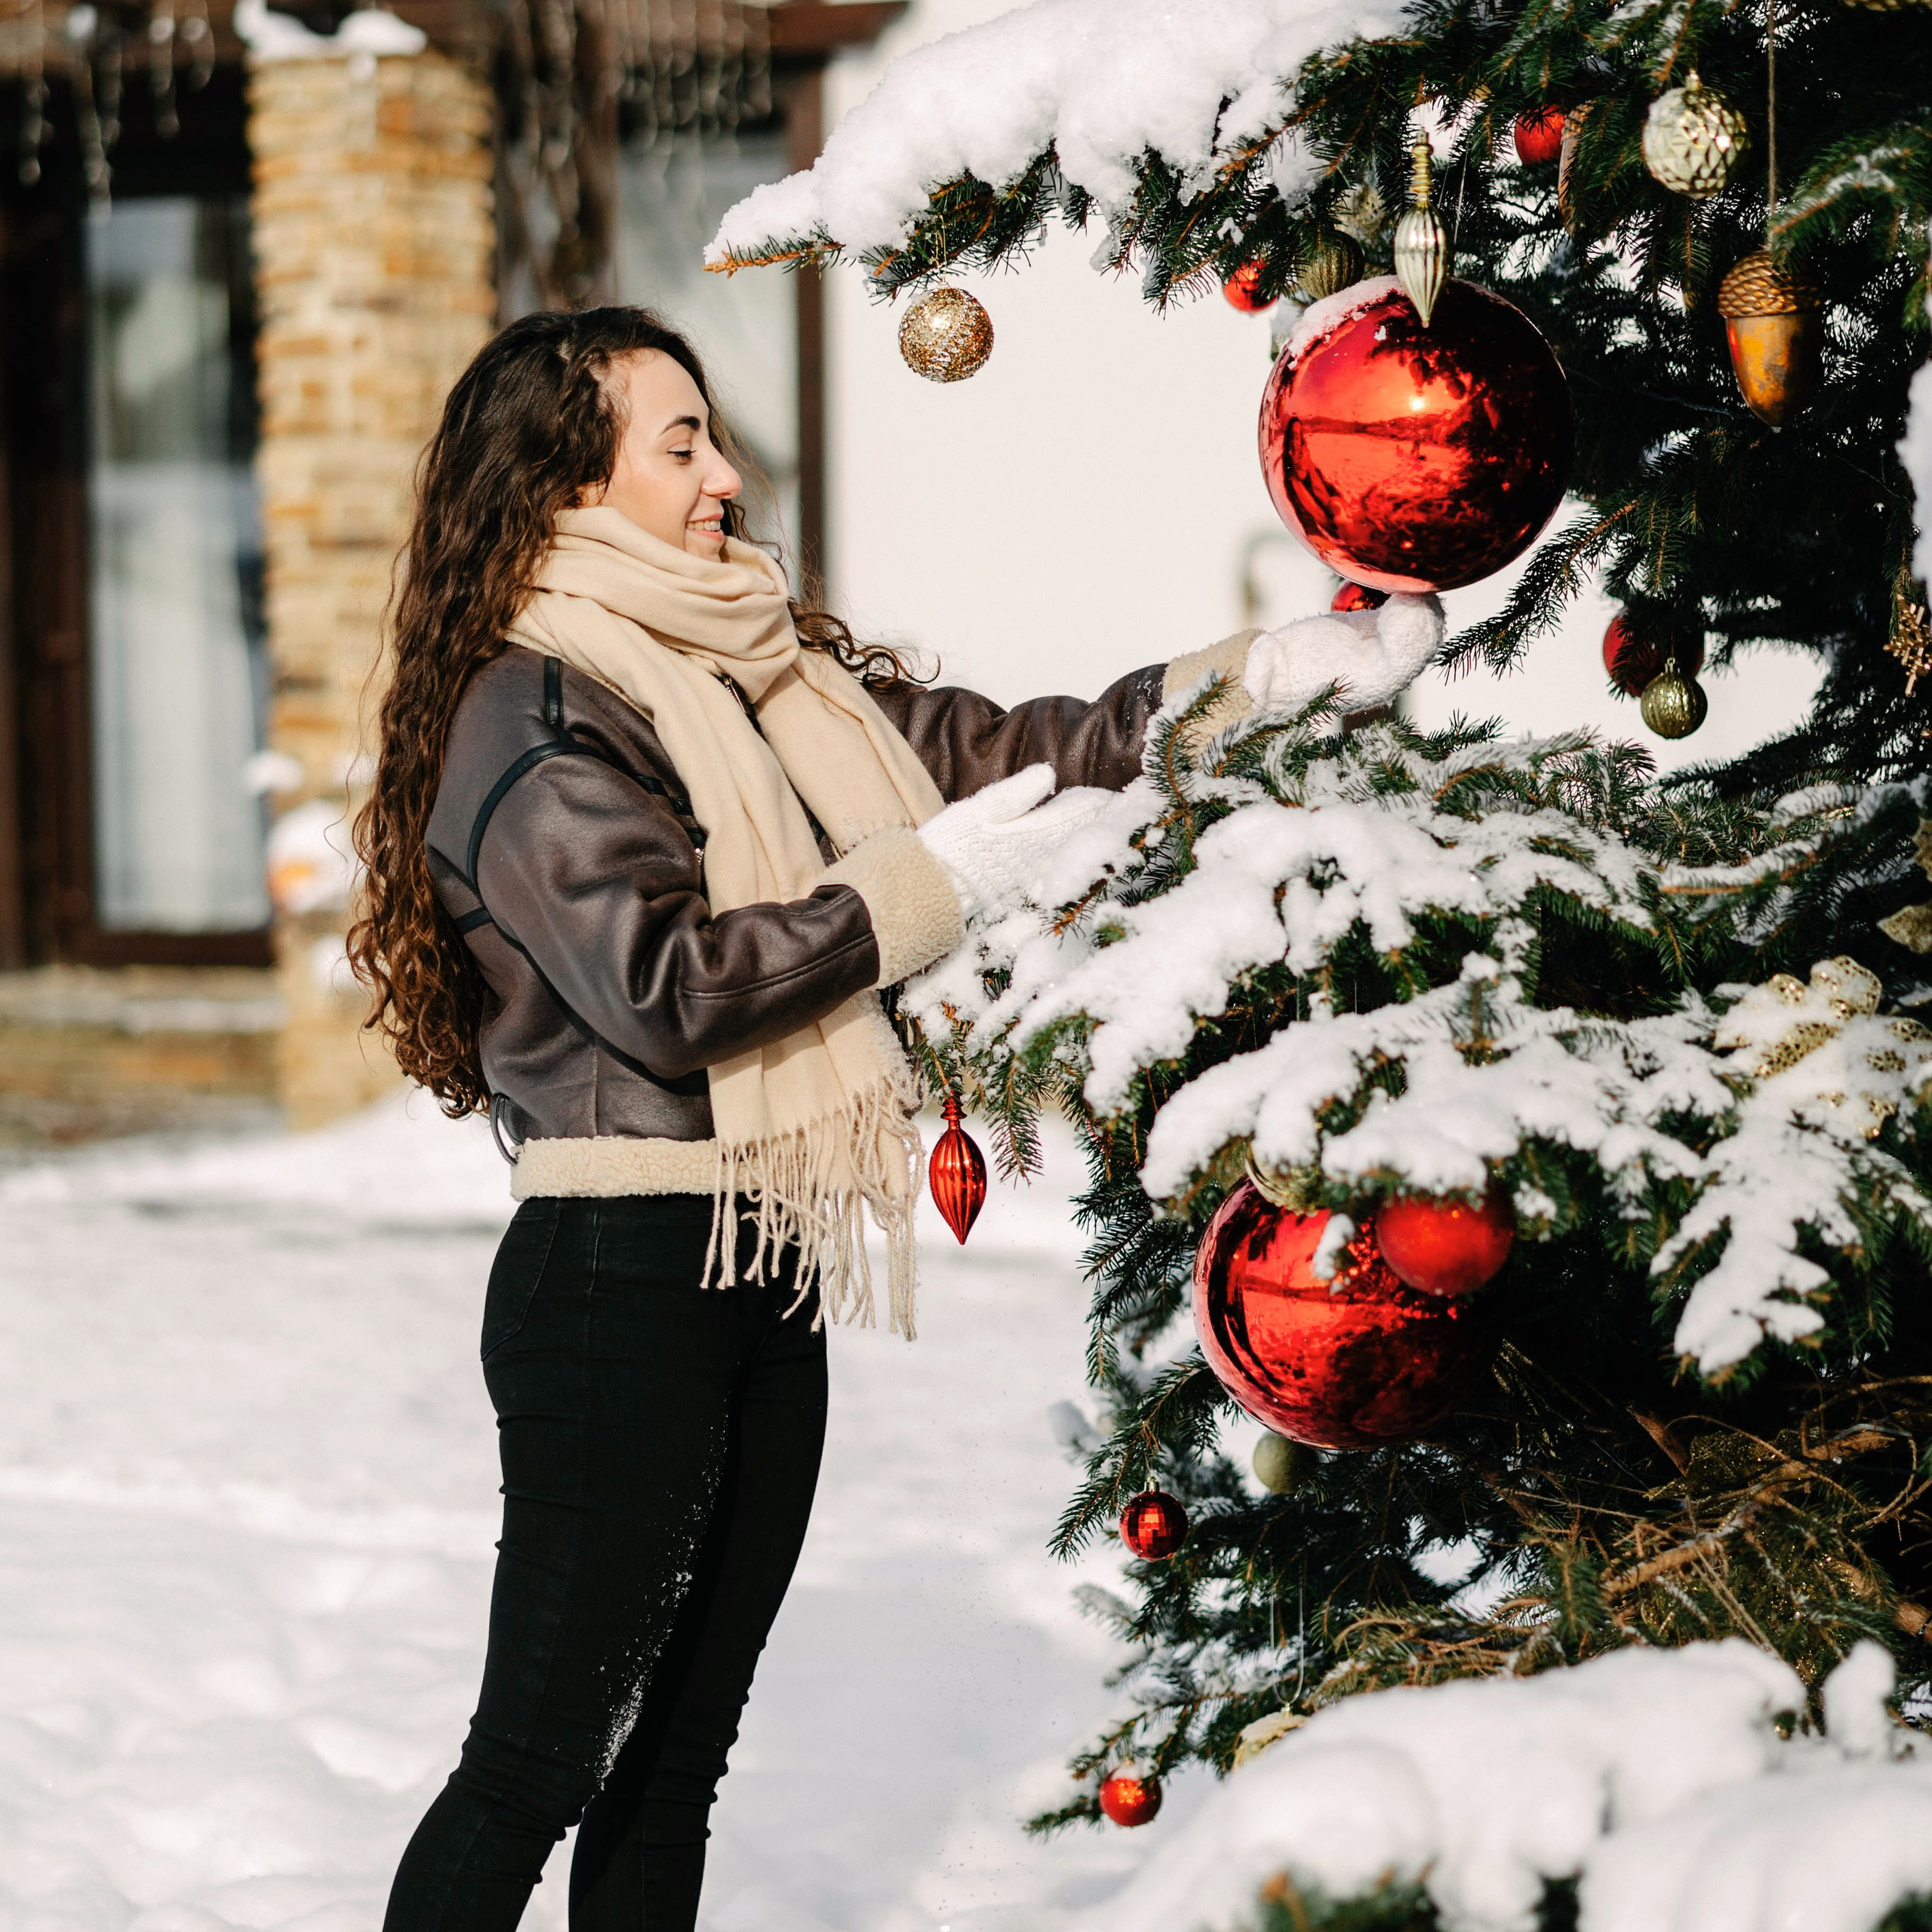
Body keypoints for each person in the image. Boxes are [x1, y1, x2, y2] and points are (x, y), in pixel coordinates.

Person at [347, 303, 1375, 1931]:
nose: (722, 475)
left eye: (714, 435)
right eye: (676, 441)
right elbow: (662, 984)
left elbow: (994, 763)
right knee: (540, 1755)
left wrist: (1238, 684)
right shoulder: (531, 713)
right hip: (619, 1277)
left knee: (672, 1756)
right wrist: (912, 894)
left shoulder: (756, 675)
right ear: (556, 484)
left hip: (760, 1260)